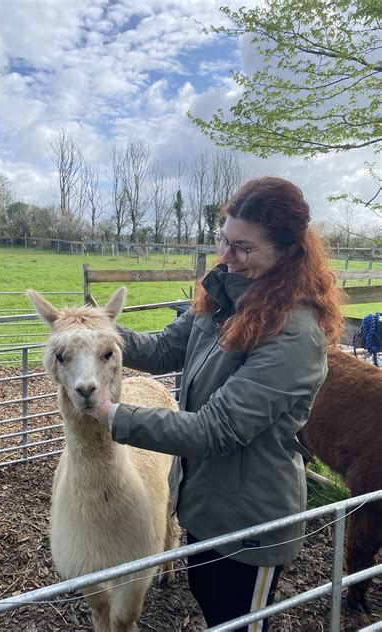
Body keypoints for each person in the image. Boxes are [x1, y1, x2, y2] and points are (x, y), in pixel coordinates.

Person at [90, 177, 344, 629]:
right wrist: (95, 332)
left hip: (251, 523)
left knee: (239, 622)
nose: (227, 257)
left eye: (244, 248)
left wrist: (113, 417)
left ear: (287, 253)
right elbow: (165, 347)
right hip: (205, 505)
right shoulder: (222, 296)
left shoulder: (294, 335)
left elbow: (214, 430)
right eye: (224, 241)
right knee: (211, 607)